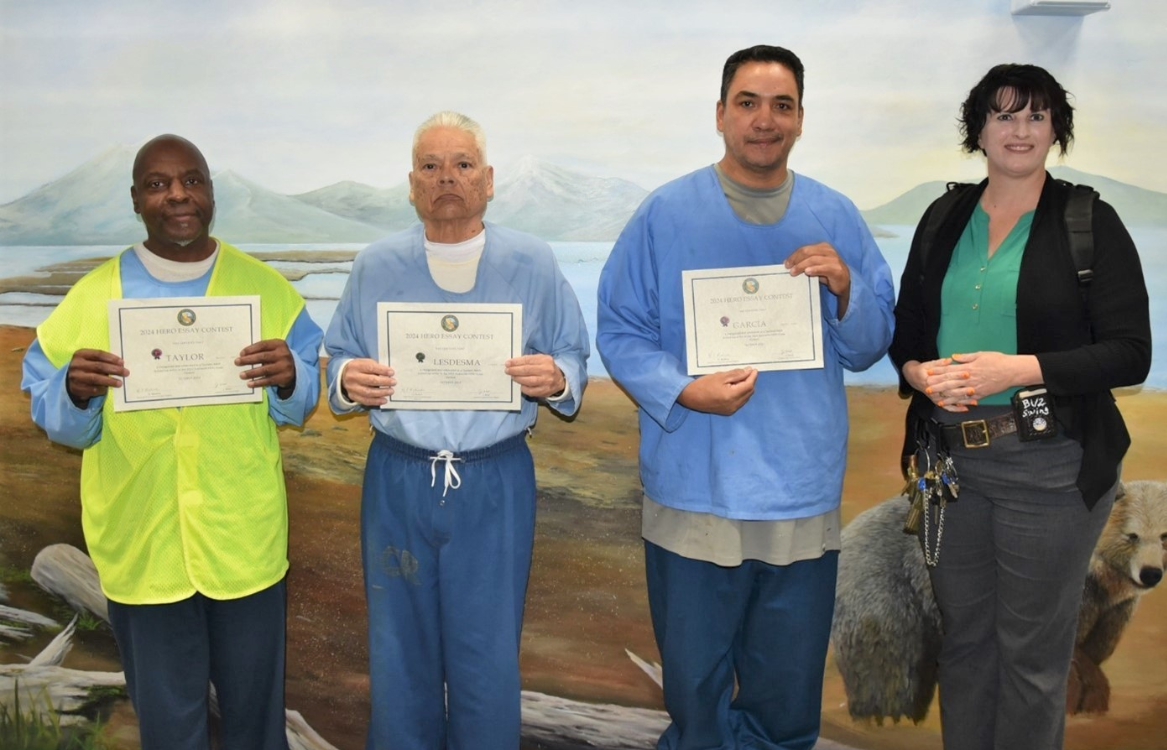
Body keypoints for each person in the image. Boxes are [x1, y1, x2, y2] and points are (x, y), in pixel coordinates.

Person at [596, 45, 895, 749]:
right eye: (749, 103)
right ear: (721, 114)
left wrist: (846, 288)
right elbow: (620, 330)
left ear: (800, 119)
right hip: (696, 490)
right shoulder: (665, 214)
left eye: (781, 105)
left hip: (800, 491)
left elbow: (871, 343)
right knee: (695, 692)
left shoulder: (835, 215)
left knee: (785, 697)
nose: (765, 120)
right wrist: (683, 390)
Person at [21, 134, 323, 750]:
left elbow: (300, 401)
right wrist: (73, 392)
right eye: (158, 184)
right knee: (168, 728)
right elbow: (54, 413)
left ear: (211, 192)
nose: (178, 195)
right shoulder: (92, 296)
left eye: (192, 180)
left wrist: (292, 377)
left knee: (255, 722)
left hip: (243, 544)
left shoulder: (267, 290)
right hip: (143, 544)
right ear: (136, 200)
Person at [888, 64, 1151, 750]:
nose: (1020, 130)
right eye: (1003, 115)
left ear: (1056, 129)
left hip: (1050, 468)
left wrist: (1021, 369)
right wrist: (919, 374)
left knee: (1032, 659)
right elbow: (907, 330)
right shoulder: (943, 217)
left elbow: (1131, 353)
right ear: (977, 129)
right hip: (950, 467)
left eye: (1036, 115)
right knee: (965, 645)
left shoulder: (1088, 220)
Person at [323, 111, 589, 750]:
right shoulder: (375, 265)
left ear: (488, 180)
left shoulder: (532, 261)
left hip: (495, 478)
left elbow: (573, 354)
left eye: (463, 164)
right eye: (431, 165)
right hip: (399, 476)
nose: (447, 177)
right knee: (398, 648)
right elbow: (339, 355)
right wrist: (347, 380)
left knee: (488, 653)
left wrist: (556, 378)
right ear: (411, 183)